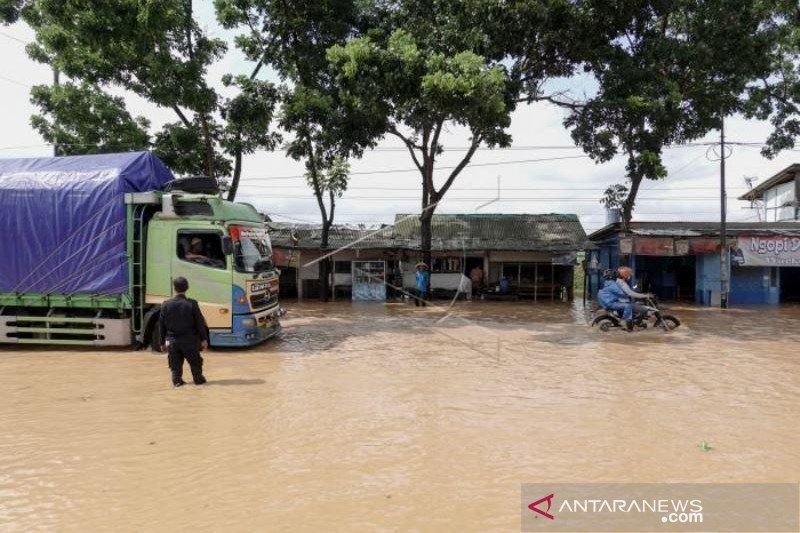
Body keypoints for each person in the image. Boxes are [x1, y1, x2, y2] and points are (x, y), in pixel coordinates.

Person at [159, 276, 209, 387]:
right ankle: (198, 384)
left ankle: (178, 384)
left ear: (174, 288)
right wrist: (204, 339)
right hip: (190, 341)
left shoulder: (165, 305)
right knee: (198, 374)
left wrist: (162, 343)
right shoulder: (192, 304)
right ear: (187, 288)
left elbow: (161, 326)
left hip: (173, 342)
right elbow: (200, 323)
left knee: (175, 373)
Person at [597, 266, 651, 331]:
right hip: (621, 303)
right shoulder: (620, 283)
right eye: (629, 274)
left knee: (635, 306)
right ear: (625, 274)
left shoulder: (611, 282)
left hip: (615, 302)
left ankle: (631, 324)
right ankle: (632, 324)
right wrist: (645, 296)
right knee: (643, 310)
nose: (630, 276)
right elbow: (629, 293)